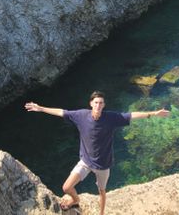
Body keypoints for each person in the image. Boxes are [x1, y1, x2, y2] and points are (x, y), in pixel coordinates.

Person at [24, 92, 169, 214]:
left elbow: (131, 115)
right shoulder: (81, 116)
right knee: (66, 187)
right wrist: (40, 108)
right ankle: (75, 200)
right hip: (85, 162)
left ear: (104, 105)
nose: (98, 105)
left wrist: (154, 113)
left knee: (102, 191)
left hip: (103, 166)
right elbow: (61, 112)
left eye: (101, 103)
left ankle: (101, 213)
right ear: (91, 104)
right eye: (96, 102)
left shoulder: (111, 118)